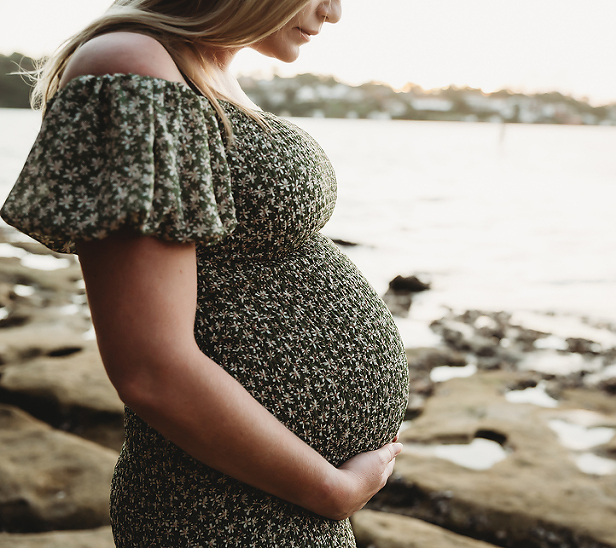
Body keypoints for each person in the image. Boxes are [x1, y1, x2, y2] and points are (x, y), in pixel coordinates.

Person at [1, 0, 409, 545]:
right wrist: (331, 491)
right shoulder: (132, 64)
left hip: (277, 495)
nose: (333, 12)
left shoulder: (204, 68)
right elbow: (151, 368)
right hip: (218, 510)